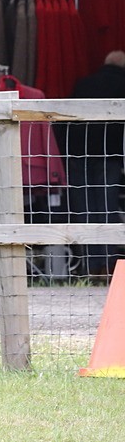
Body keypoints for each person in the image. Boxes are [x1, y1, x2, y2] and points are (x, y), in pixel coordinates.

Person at [65, 50, 125, 276]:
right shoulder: (122, 84)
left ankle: (89, 264)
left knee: (85, 207)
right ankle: (109, 264)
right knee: (106, 206)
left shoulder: (84, 84)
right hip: (109, 154)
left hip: (79, 153)